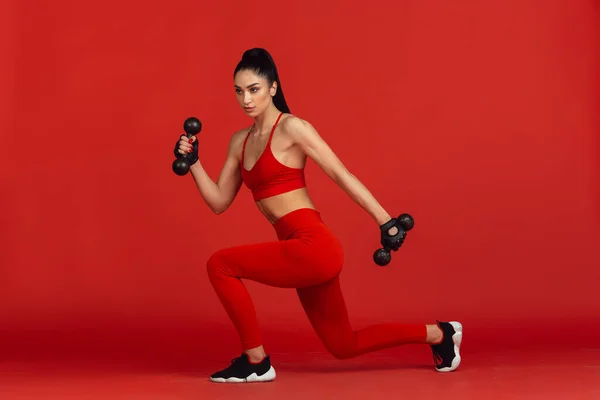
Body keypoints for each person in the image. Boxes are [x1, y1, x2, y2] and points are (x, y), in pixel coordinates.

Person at [174, 48, 463, 383]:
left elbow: (340, 174)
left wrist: (385, 220)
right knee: (343, 345)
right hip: (299, 251)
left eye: (254, 89)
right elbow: (219, 202)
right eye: (239, 91)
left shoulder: (293, 128)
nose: (246, 99)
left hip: (313, 245)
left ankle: (256, 361)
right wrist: (194, 163)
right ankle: (440, 334)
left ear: (272, 88)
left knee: (219, 264)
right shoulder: (240, 141)